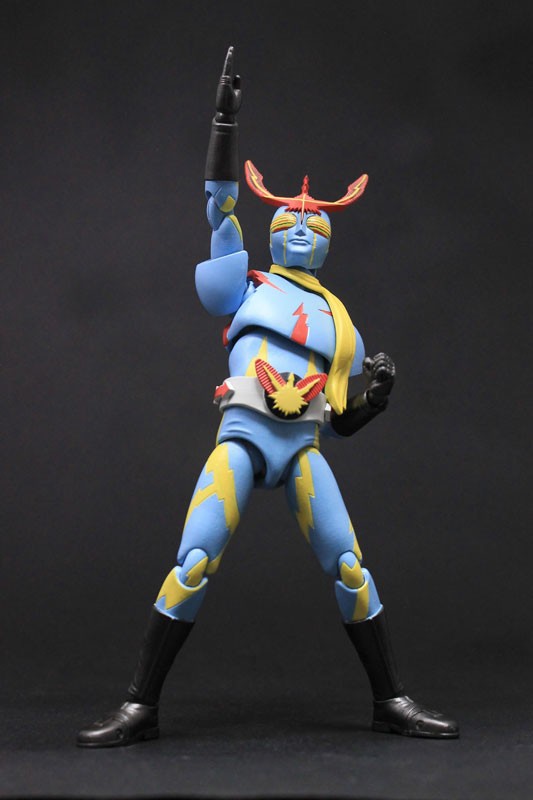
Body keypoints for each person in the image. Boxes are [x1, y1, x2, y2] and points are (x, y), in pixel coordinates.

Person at [77, 48, 458, 747]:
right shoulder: (246, 286)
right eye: (288, 219)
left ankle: (390, 700)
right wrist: (223, 124)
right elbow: (220, 206)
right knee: (195, 560)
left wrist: (374, 399)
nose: (303, 224)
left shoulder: (342, 325)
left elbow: (337, 421)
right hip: (245, 437)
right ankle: (139, 706)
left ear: (329, 242)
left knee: (350, 568)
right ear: (275, 233)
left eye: (316, 223)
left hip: (302, 448)